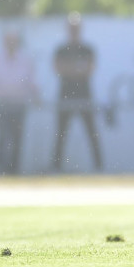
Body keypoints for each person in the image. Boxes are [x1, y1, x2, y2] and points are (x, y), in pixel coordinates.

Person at [0, 31, 41, 174]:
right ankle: (1, 168)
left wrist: (37, 97)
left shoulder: (26, 60)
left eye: (13, 41)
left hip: (19, 104)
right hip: (2, 104)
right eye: (8, 41)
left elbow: (32, 81)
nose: (11, 44)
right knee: (2, 136)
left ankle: (14, 170)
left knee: (17, 137)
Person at [52, 13, 103, 172]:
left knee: (91, 132)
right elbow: (59, 69)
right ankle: (56, 167)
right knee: (61, 133)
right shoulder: (61, 50)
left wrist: (72, 69)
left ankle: (99, 167)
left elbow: (89, 69)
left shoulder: (87, 49)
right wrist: (77, 69)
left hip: (84, 95)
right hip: (65, 95)